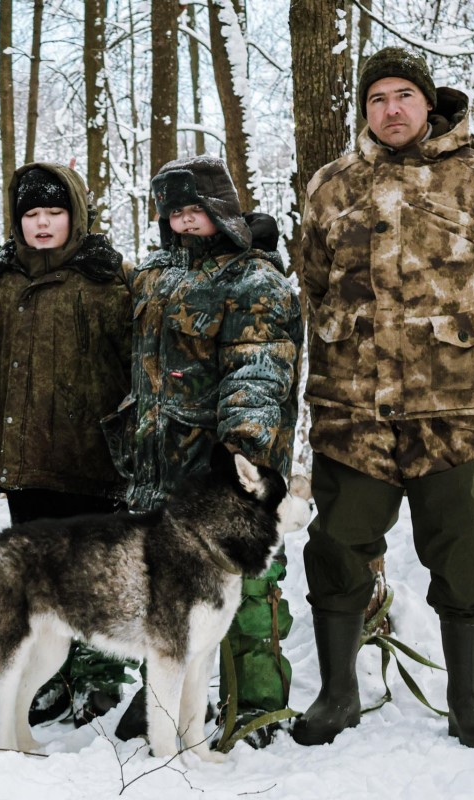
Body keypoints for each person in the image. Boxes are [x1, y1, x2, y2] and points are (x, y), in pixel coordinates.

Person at [293, 47, 474, 750]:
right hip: (352, 408)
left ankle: (468, 702)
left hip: (450, 408)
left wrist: (455, 347)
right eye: (376, 99)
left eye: (403, 95)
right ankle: (338, 696)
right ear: (364, 111)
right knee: (336, 546)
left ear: (428, 102)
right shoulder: (332, 184)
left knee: (465, 547)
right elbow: (313, 282)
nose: (391, 109)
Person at [110, 156, 303, 747]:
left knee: (245, 586)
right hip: (156, 465)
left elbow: (259, 372)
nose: (185, 222)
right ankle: (166, 698)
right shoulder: (151, 275)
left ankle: (257, 703)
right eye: (174, 213)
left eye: (195, 211)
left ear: (221, 210)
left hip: (222, 469)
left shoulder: (254, 280)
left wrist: (239, 462)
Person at [0, 162, 134, 726]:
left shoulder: (106, 276)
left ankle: (98, 679)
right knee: (41, 582)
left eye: (54, 213)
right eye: (31, 214)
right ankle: (52, 679)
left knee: (95, 576)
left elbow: (135, 362)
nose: (43, 224)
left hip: (91, 457)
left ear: (74, 215)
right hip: (25, 458)